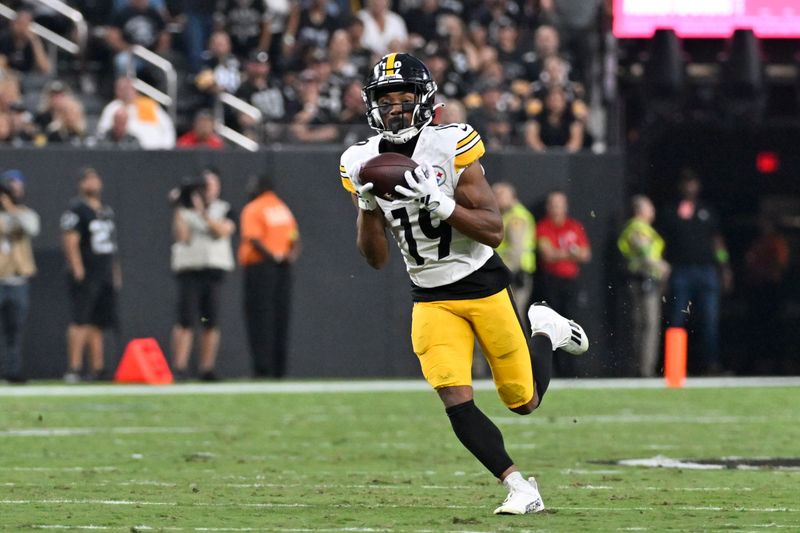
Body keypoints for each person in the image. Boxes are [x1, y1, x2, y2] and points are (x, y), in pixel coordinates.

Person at [339, 53, 588, 515]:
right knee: (454, 396)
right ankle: (519, 487)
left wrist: (440, 202)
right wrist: (367, 208)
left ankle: (545, 330)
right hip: (429, 295)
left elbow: (493, 230)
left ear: (424, 99)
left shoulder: (451, 144)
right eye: (386, 99)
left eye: (404, 97)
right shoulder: (359, 162)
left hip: (480, 282)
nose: (395, 107)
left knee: (524, 401)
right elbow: (375, 259)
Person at [658, 169, 732, 375]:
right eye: (686, 183)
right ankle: (674, 366)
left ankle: (711, 364)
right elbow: (661, 244)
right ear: (680, 186)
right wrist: (663, 270)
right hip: (681, 271)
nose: (689, 187)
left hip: (707, 272)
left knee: (710, 320)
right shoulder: (670, 212)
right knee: (677, 319)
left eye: (693, 183)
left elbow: (717, 243)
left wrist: (724, 267)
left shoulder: (706, 211)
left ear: (698, 186)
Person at [170, 168, 236, 381]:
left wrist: (202, 214)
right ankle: (179, 367)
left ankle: (206, 368)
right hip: (190, 269)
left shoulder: (224, 208)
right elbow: (183, 238)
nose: (206, 191)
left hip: (214, 269)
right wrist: (180, 207)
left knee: (211, 322)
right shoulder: (185, 211)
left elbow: (222, 231)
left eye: (210, 185)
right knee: (186, 320)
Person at [60, 168, 121, 383]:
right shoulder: (76, 210)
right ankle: (74, 368)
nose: (93, 182)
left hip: (104, 272)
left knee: (98, 323)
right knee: (80, 320)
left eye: (96, 177)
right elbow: (70, 240)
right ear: (81, 184)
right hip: (87, 271)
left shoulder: (106, 210)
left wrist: (114, 272)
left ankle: (98, 368)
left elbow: (112, 246)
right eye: (88, 179)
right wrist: (77, 268)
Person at [239, 174, 300, 378]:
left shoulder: (254, 208)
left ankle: (262, 370)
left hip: (261, 268)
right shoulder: (283, 209)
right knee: (279, 318)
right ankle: (278, 370)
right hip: (283, 270)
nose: (248, 188)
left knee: (259, 319)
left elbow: (254, 240)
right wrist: (287, 257)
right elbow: (295, 239)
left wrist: (273, 256)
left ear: (260, 186)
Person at [536, 190, 591, 375]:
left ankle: (574, 369)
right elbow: (547, 254)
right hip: (552, 282)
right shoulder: (544, 226)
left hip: (571, 282)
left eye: (559, 204)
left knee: (573, 323)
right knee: (554, 325)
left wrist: (561, 253)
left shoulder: (573, 226)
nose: (556, 208)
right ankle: (557, 369)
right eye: (553, 204)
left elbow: (585, 254)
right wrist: (570, 253)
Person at [617, 195, 670, 377]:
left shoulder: (644, 229)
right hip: (642, 281)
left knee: (644, 325)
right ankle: (643, 369)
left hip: (646, 280)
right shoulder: (637, 228)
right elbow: (645, 252)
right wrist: (662, 267)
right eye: (650, 207)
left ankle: (643, 367)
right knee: (646, 325)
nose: (653, 211)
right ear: (641, 210)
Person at [0, 170, 39, 383]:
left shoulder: (24, 213)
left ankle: (12, 372)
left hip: (17, 280)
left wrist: (11, 209)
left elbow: (32, 227)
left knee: (14, 331)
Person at [493, 182, 536, 316]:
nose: (495, 198)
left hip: (515, 273)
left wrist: (506, 272)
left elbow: (517, 249)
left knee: (513, 315)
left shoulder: (516, 217)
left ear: (511, 196)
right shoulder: (507, 214)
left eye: (500, 195)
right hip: (512, 272)